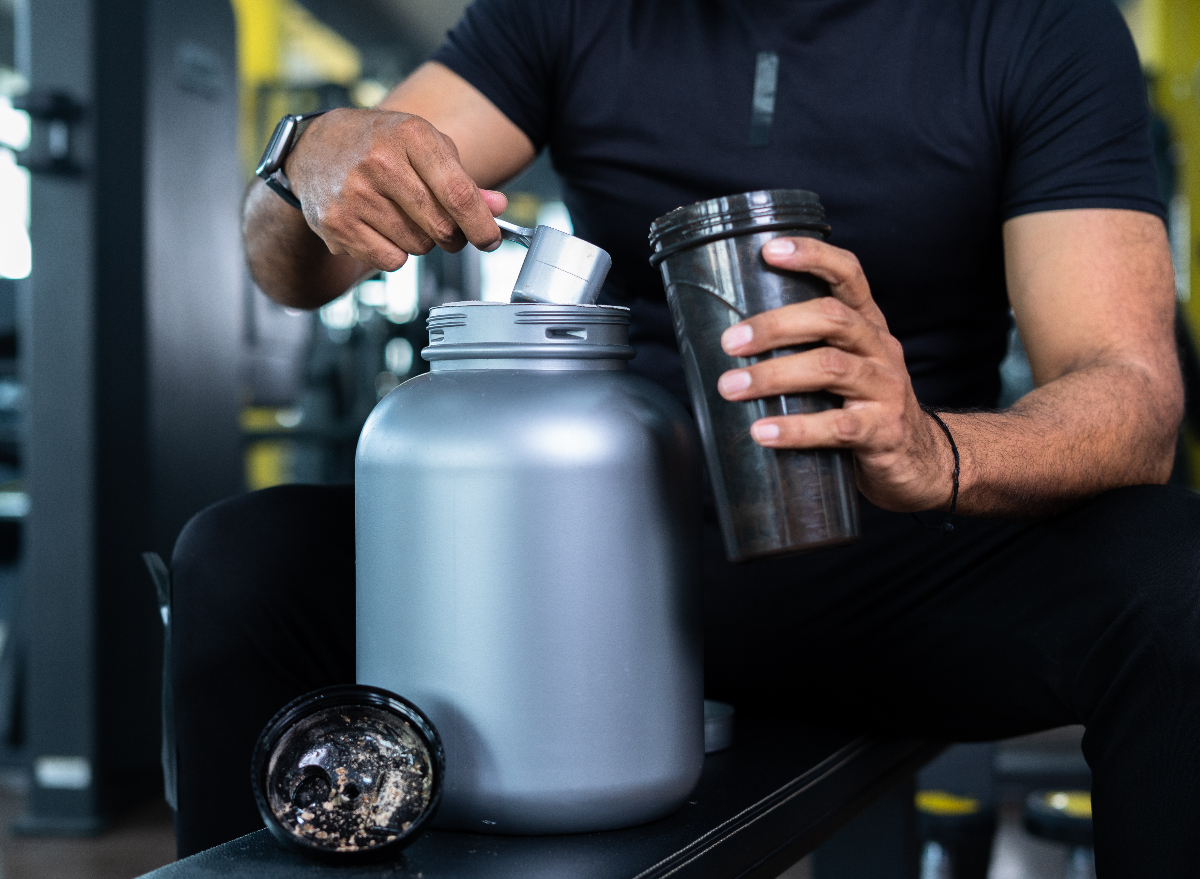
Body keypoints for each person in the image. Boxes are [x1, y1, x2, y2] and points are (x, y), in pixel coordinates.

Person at [173, 0, 1200, 872]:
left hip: (909, 568)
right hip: (612, 566)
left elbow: (1132, 395)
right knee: (245, 558)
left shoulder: (1035, 25)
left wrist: (934, 452)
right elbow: (293, 271)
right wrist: (304, 159)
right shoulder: (568, 11)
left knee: (1178, 580)